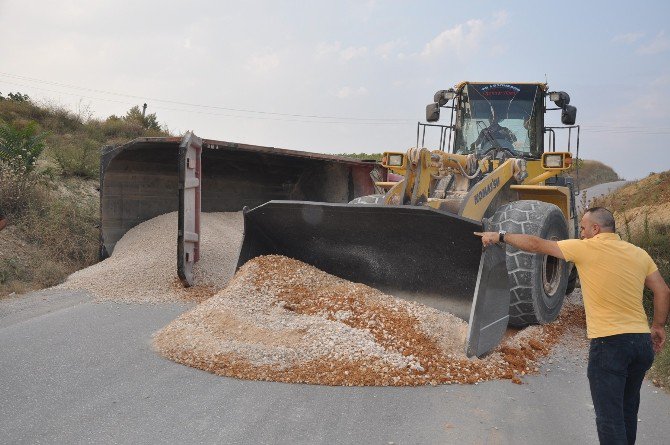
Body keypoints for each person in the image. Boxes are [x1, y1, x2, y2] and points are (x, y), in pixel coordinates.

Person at [475, 207, 670, 445]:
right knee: (627, 411)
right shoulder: (638, 254)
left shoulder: (586, 248)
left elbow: (536, 244)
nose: (581, 233)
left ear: (596, 229)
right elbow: (662, 290)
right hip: (640, 344)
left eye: (584, 228)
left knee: (609, 419)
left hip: (610, 344)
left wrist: (501, 236)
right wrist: (658, 326)